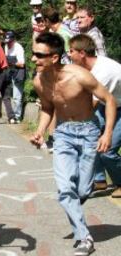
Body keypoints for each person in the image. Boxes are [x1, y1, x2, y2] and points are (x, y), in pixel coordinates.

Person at [30, 32, 116, 256]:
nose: (33, 59)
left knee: (83, 189)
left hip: (88, 133)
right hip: (63, 135)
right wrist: (40, 131)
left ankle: (78, 209)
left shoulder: (79, 76)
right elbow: (48, 108)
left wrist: (106, 134)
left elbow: (109, 100)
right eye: (33, 54)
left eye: (39, 55)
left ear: (54, 57)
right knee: (65, 189)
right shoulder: (38, 81)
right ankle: (84, 238)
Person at [68, 34, 121, 198]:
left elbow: (90, 103)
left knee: (107, 149)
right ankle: (99, 180)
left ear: (82, 53)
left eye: (71, 51)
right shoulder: (86, 67)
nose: (68, 54)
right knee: (91, 137)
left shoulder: (103, 71)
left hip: (117, 107)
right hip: (109, 103)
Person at [4, 31, 26, 123]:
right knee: (7, 95)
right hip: (10, 72)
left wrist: (11, 62)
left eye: (10, 42)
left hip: (18, 73)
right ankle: (11, 115)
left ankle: (17, 116)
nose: (8, 43)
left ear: (13, 40)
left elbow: (22, 64)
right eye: (7, 41)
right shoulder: (6, 46)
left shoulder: (18, 48)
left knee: (17, 97)